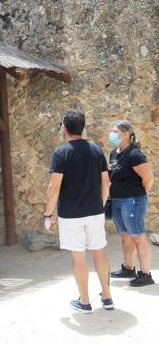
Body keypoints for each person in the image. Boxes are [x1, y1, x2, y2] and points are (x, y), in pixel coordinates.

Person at [44, 109, 113, 314]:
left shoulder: (61, 153)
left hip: (71, 214)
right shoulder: (96, 149)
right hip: (94, 210)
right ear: (82, 127)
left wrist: (48, 214)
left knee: (78, 257)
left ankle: (84, 301)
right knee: (99, 252)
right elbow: (106, 181)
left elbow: (53, 188)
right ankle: (107, 296)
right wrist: (99, 203)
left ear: (64, 128)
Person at [108, 120, 154, 286]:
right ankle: (128, 268)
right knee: (125, 237)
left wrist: (140, 193)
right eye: (111, 131)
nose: (112, 134)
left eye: (115, 131)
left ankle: (146, 274)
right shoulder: (114, 153)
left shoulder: (134, 154)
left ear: (127, 134)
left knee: (138, 237)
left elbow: (148, 178)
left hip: (132, 201)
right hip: (117, 201)